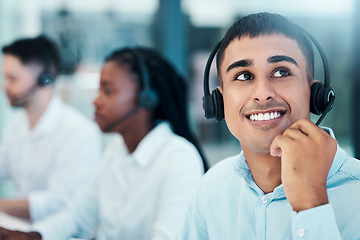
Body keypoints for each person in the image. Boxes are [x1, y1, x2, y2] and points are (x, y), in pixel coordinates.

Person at [181, 12, 360, 239]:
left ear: (315, 94)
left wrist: (311, 204)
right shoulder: (211, 189)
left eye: (281, 72)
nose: (263, 94)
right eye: (244, 76)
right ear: (219, 101)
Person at [0, 47, 207, 239]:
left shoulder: (178, 158)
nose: (96, 101)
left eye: (108, 91)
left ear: (146, 100)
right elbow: (77, 216)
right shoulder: (116, 151)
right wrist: (33, 235)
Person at [0, 35, 101, 222]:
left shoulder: (78, 132)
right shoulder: (17, 125)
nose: (4, 86)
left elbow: (58, 203)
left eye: (12, 79)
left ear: (45, 79)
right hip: (19, 230)